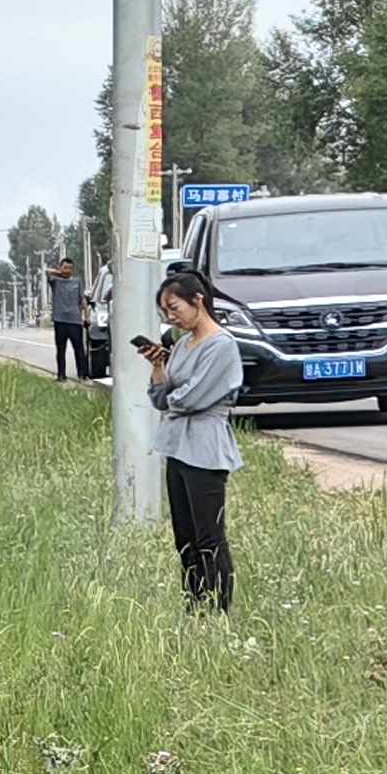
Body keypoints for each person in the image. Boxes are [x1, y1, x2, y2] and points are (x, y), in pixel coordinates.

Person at [141, 261, 242, 611]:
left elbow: (191, 398)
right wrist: (158, 368)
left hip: (206, 449)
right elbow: (159, 398)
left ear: (198, 300)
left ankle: (219, 609)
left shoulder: (222, 346)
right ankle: (195, 604)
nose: (171, 317)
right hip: (177, 448)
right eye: (166, 311)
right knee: (184, 536)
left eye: (175, 308)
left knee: (209, 536)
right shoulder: (182, 347)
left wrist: (172, 394)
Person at [44, 256, 90, 379]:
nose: (68, 270)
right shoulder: (55, 281)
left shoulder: (77, 281)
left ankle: (82, 374)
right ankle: (61, 375)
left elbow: (83, 300)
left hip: (75, 321)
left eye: (70, 268)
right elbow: (47, 271)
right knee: (61, 350)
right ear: (60, 268)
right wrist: (61, 273)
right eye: (65, 267)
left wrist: (86, 317)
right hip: (60, 321)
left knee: (79, 349)